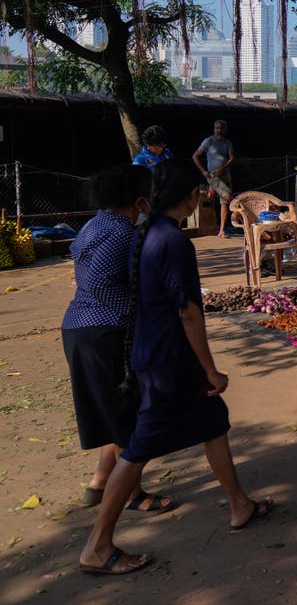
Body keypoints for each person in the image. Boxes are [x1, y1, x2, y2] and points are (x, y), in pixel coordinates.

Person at [78, 161, 272, 576]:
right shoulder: (172, 242)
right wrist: (211, 369)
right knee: (137, 450)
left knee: (213, 422)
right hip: (167, 362)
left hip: (160, 355)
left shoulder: (149, 233)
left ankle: (240, 505)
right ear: (189, 196)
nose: (203, 196)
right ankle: (96, 545)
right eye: (199, 190)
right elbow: (188, 313)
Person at [62, 165, 174, 515]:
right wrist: (138, 312)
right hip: (103, 333)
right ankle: (131, 493)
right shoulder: (122, 234)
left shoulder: (94, 224)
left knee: (111, 411)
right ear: (139, 201)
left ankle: (99, 482)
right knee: (130, 414)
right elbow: (98, 283)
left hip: (78, 328)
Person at [192, 119, 236, 237]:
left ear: (225, 129)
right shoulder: (208, 141)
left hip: (225, 174)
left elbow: (232, 158)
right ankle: (211, 188)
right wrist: (203, 171)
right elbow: (195, 156)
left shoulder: (227, 143)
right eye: (217, 128)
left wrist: (223, 168)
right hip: (213, 175)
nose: (219, 130)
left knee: (224, 203)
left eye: (221, 128)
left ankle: (221, 230)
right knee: (229, 196)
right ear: (214, 129)